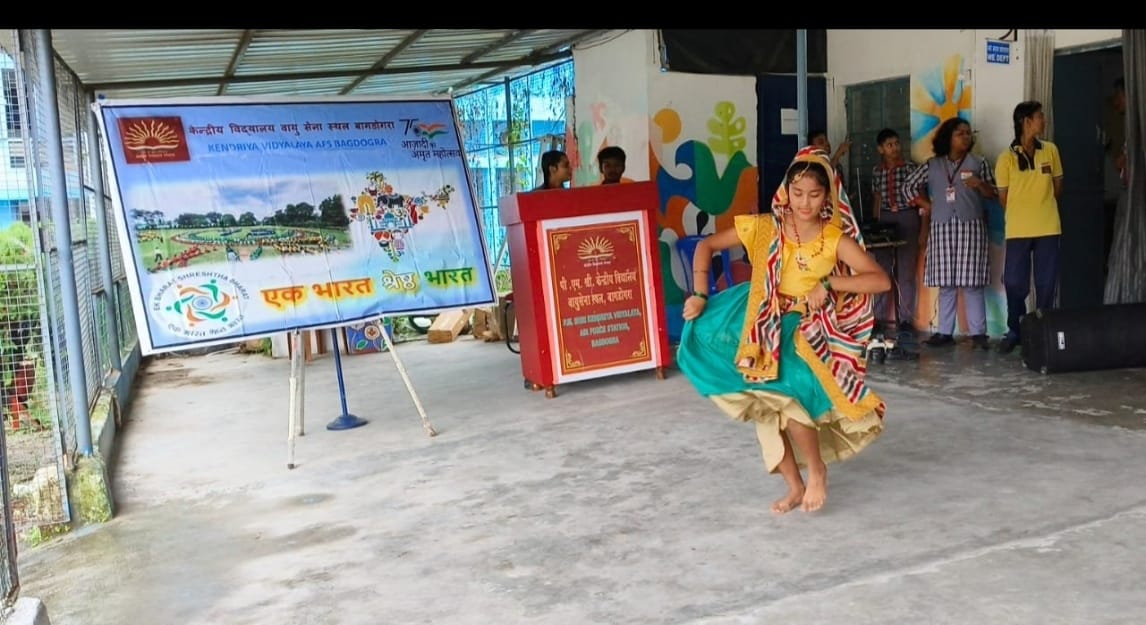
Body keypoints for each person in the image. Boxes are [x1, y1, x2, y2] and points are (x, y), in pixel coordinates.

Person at [676, 146, 889, 515]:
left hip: (801, 326)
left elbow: (879, 281)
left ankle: (817, 471)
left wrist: (832, 283)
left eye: (815, 194)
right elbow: (707, 245)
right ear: (786, 191)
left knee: (786, 396)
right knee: (765, 408)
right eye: (798, 192)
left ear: (828, 196)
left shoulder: (834, 238)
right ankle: (794, 486)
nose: (805, 203)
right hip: (757, 318)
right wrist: (698, 294)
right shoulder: (764, 227)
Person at [901, 117, 995, 350]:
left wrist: (980, 184)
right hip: (942, 228)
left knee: (972, 282)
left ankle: (979, 334)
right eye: (960, 133)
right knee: (947, 284)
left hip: (970, 228)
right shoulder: (933, 164)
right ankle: (944, 332)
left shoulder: (978, 162)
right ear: (948, 138)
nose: (966, 137)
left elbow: (993, 193)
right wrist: (927, 205)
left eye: (967, 133)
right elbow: (907, 187)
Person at [994, 101, 1064, 354]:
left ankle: (1043, 331)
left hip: (1048, 227)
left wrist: (1041, 205)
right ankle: (1016, 329)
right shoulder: (1006, 158)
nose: (1043, 120)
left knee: (1046, 283)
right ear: (1026, 122)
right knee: (1015, 283)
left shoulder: (1051, 151)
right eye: (1039, 116)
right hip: (1018, 230)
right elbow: (1003, 197)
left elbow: (1058, 187)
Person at [869, 128, 921, 337]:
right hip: (885, 218)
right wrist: (875, 224)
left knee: (906, 272)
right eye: (890, 145)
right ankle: (879, 317)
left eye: (897, 143)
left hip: (907, 217)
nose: (895, 148)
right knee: (882, 270)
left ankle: (906, 320)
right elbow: (876, 199)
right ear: (880, 149)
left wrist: (922, 228)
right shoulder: (877, 171)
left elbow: (920, 198)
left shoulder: (911, 169)